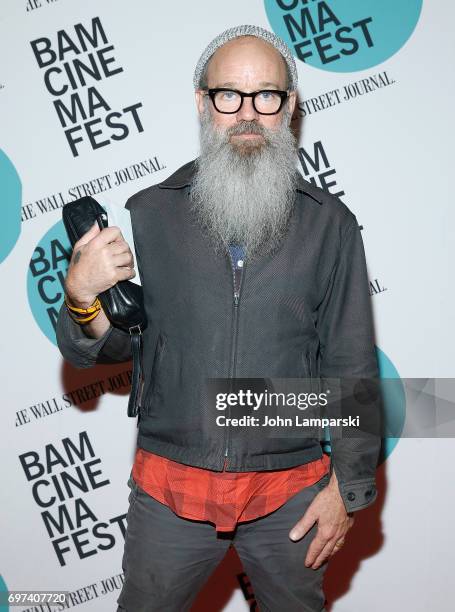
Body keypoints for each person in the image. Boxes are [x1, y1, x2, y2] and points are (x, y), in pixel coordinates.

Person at [56, 24, 381, 612]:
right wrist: (81, 296)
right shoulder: (148, 213)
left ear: (291, 108)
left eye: (268, 97)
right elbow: (107, 349)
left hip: (291, 491)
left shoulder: (331, 225)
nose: (248, 114)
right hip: (170, 487)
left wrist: (348, 491)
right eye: (230, 95)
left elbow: (350, 364)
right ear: (204, 103)